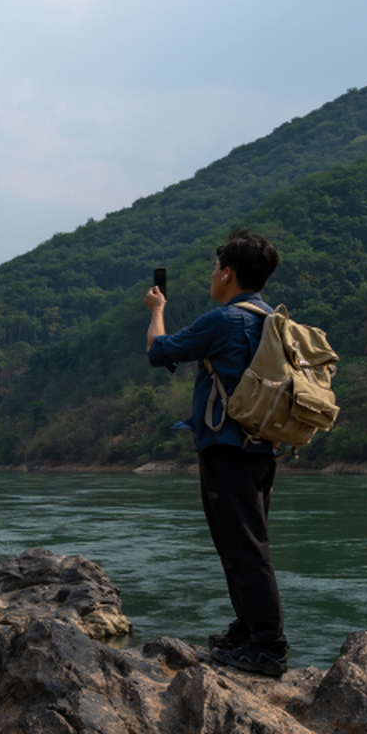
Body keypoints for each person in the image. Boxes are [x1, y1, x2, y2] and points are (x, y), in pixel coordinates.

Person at [144, 230, 288, 677]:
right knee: (241, 542)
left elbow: (158, 352)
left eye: (214, 268)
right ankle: (246, 632)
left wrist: (157, 311)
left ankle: (268, 646)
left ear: (227, 273)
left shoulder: (224, 320)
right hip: (263, 447)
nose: (212, 276)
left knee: (244, 546)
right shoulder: (270, 319)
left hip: (227, 448)